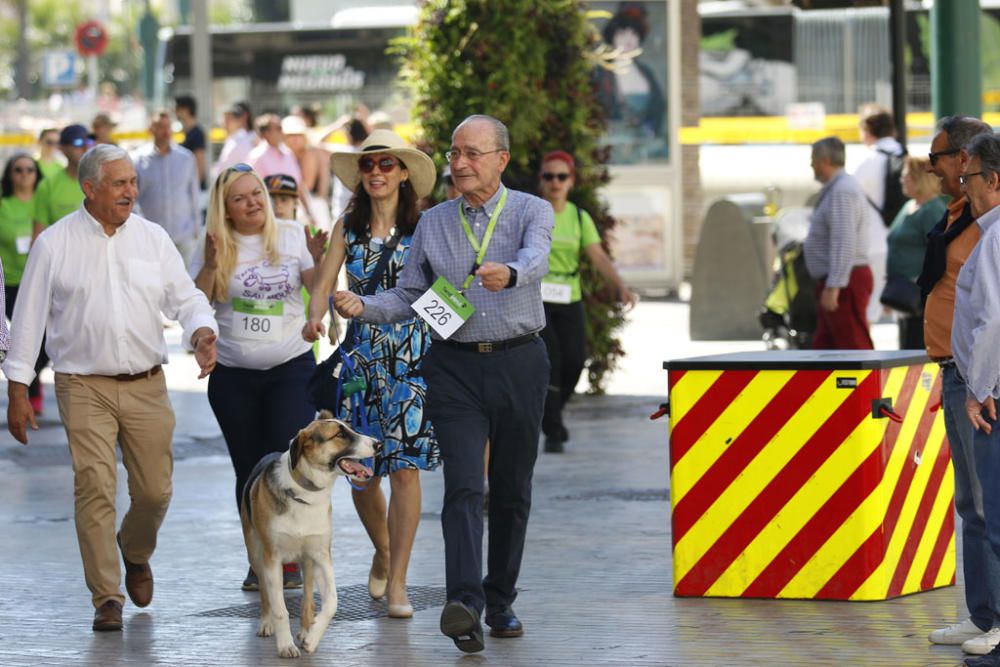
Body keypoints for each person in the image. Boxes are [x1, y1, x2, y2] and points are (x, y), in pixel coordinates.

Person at [333, 115, 553, 653]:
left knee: (511, 490)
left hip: (519, 360)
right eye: (455, 153)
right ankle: (465, 604)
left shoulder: (530, 210)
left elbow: (538, 255)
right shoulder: (433, 223)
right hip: (453, 366)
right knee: (462, 487)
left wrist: (513, 273)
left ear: (500, 158)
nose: (460, 163)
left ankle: (500, 600)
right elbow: (409, 294)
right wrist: (365, 306)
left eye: (473, 153)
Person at [3, 144, 218, 633]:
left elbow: (185, 298)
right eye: (119, 184)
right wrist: (18, 389)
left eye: (132, 183)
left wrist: (202, 332)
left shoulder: (152, 238)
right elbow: (29, 319)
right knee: (95, 485)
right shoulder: (54, 244)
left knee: (155, 492)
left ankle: (135, 550)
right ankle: (107, 596)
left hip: (146, 384)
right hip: (82, 385)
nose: (131, 192)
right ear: (90, 188)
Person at [304, 130, 440, 620]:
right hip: (362, 360)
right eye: (369, 166)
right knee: (362, 474)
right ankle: (382, 550)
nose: (377, 173)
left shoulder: (425, 227)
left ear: (404, 173)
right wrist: (315, 317)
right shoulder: (348, 226)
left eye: (387, 164)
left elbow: (445, 291)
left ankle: (399, 579)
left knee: (404, 468)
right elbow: (323, 283)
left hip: (411, 361)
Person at [190, 163, 319, 591]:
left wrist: (321, 264)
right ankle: (259, 557)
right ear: (224, 209)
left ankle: (290, 557)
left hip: (291, 367)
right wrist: (210, 265)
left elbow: (316, 287)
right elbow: (195, 301)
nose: (253, 203)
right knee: (248, 471)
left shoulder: (290, 234)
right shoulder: (212, 244)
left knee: (287, 463)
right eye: (240, 198)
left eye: (257, 194)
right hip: (234, 376)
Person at [918, 116, 1000, 659]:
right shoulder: (963, 217)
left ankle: (994, 619)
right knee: (971, 502)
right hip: (958, 371)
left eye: (944, 162)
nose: (945, 175)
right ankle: (982, 612)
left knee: (989, 501)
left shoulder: (989, 229)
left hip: (980, 382)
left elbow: (990, 318)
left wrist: (980, 384)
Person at [536, 150, 635, 453]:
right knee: (550, 363)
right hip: (536, 299)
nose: (555, 182)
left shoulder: (579, 217)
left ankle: (550, 415)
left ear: (571, 181)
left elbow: (597, 256)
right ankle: (553, 428)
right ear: (541, 181)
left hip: (570, 296)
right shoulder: (533, 212)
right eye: (549, 176)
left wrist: (620, 287)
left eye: (561, 176)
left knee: (574, 362)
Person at [952, 132, 1000, 667]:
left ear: (994, 180)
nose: (963, 187)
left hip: (992, 399)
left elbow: (992, 324)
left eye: (969, 177)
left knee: (996, 516)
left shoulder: (996, 238)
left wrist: (979, 390)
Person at [803, 136, 873, 350]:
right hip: (841, 279)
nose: (811, 165)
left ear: (825, 160)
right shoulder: (838, 189)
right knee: (827, 347)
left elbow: (844, 239)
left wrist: (834, 286)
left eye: (813, 159)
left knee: (852, 346)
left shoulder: (842, 190)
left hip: (845, 281)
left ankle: (865, 384)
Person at [0, 154, 48, 413]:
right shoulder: (3, 204)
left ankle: (32, 377)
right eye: (18, 169)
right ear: (9, 175)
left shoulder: (43, 201)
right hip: (10, 282)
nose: (24, 174)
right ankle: (28, 389)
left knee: (44, 340)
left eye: (30, 169)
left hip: (40, 281)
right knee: (22, 336)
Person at [884, 155, 945, 350]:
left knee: (916, 345)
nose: (902, 180)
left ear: (921, 179)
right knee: (906, 344)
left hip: (920, 296)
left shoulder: (932, 210)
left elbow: (939, 251)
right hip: (903, 293)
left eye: (906, 176)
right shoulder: (909, 205)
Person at [593, 2, 666, 163]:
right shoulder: (602, 73)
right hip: (611, 145)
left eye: (633, 33)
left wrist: (650, 131)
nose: (628, 39)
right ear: (613, 36)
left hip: (643, 144)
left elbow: (659, 107)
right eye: (622, 32)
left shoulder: (646, 73)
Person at [853, 105, 903, 325]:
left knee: (869, 307)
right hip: (902, 239)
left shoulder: (866, 161)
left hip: (872, 242)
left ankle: (868, 355)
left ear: (867, 130)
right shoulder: (904, 155)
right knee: (903, 303)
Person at [132, 109, 201, 264]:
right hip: (151, 239)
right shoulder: (137, 160)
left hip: (182, 236)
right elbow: (132, 198)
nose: (165, 131)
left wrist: (197, 228)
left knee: (185, 283)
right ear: (151, 129)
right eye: (160, 127)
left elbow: (193, 194)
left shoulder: (186, 158)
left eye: (167, 127)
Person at [33, 124, 92, 236]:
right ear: (63, 148)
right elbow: (38, 235)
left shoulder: (102, 182)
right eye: (78, 143)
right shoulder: (48, 186)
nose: (85, 148)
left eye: (88, 142)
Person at [282, 114, 331, 232]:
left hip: (313, 205)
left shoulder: (309, 154)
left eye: (298, 135)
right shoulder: (285, 155)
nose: (295, 139)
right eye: (290, 136)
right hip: (296, 205)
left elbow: (307, 185)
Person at [331, 118, 369, 222]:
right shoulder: (371, 154)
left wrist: (337, 124)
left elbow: (317, 142)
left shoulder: (341, 153)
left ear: (349, 134)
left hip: (341, 210)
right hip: (364, 213)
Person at [247, 113, 303, 184]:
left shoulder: (288, 152)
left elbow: (299, 183)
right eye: (278, 128)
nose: (282, 131)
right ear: (266, 133)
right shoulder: (257, 156)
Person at [214, 101, 256, 178]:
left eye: (229, 119)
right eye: (225, 119)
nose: (224, 123)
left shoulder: (242, 141)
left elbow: (248, 169)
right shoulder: (232, 140)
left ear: (239, 120)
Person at [175, 94, 207, 189]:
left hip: (194, 189)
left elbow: (200, 164)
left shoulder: (197, 133)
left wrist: (195, 189)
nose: (175, 111)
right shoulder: (186, 132)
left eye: (177, 108)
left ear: (186, 109)